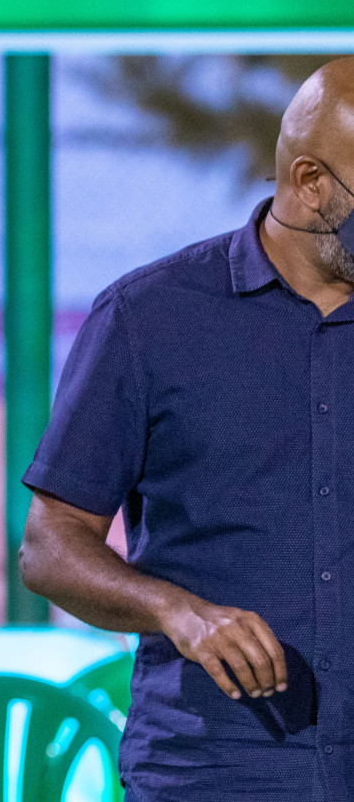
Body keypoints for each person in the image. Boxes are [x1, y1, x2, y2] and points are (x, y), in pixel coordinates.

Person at [20, 59, 354, 801]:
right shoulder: (147, 319)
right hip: (212, 770)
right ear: (309, 183)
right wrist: (179, 613)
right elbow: (49, 546)